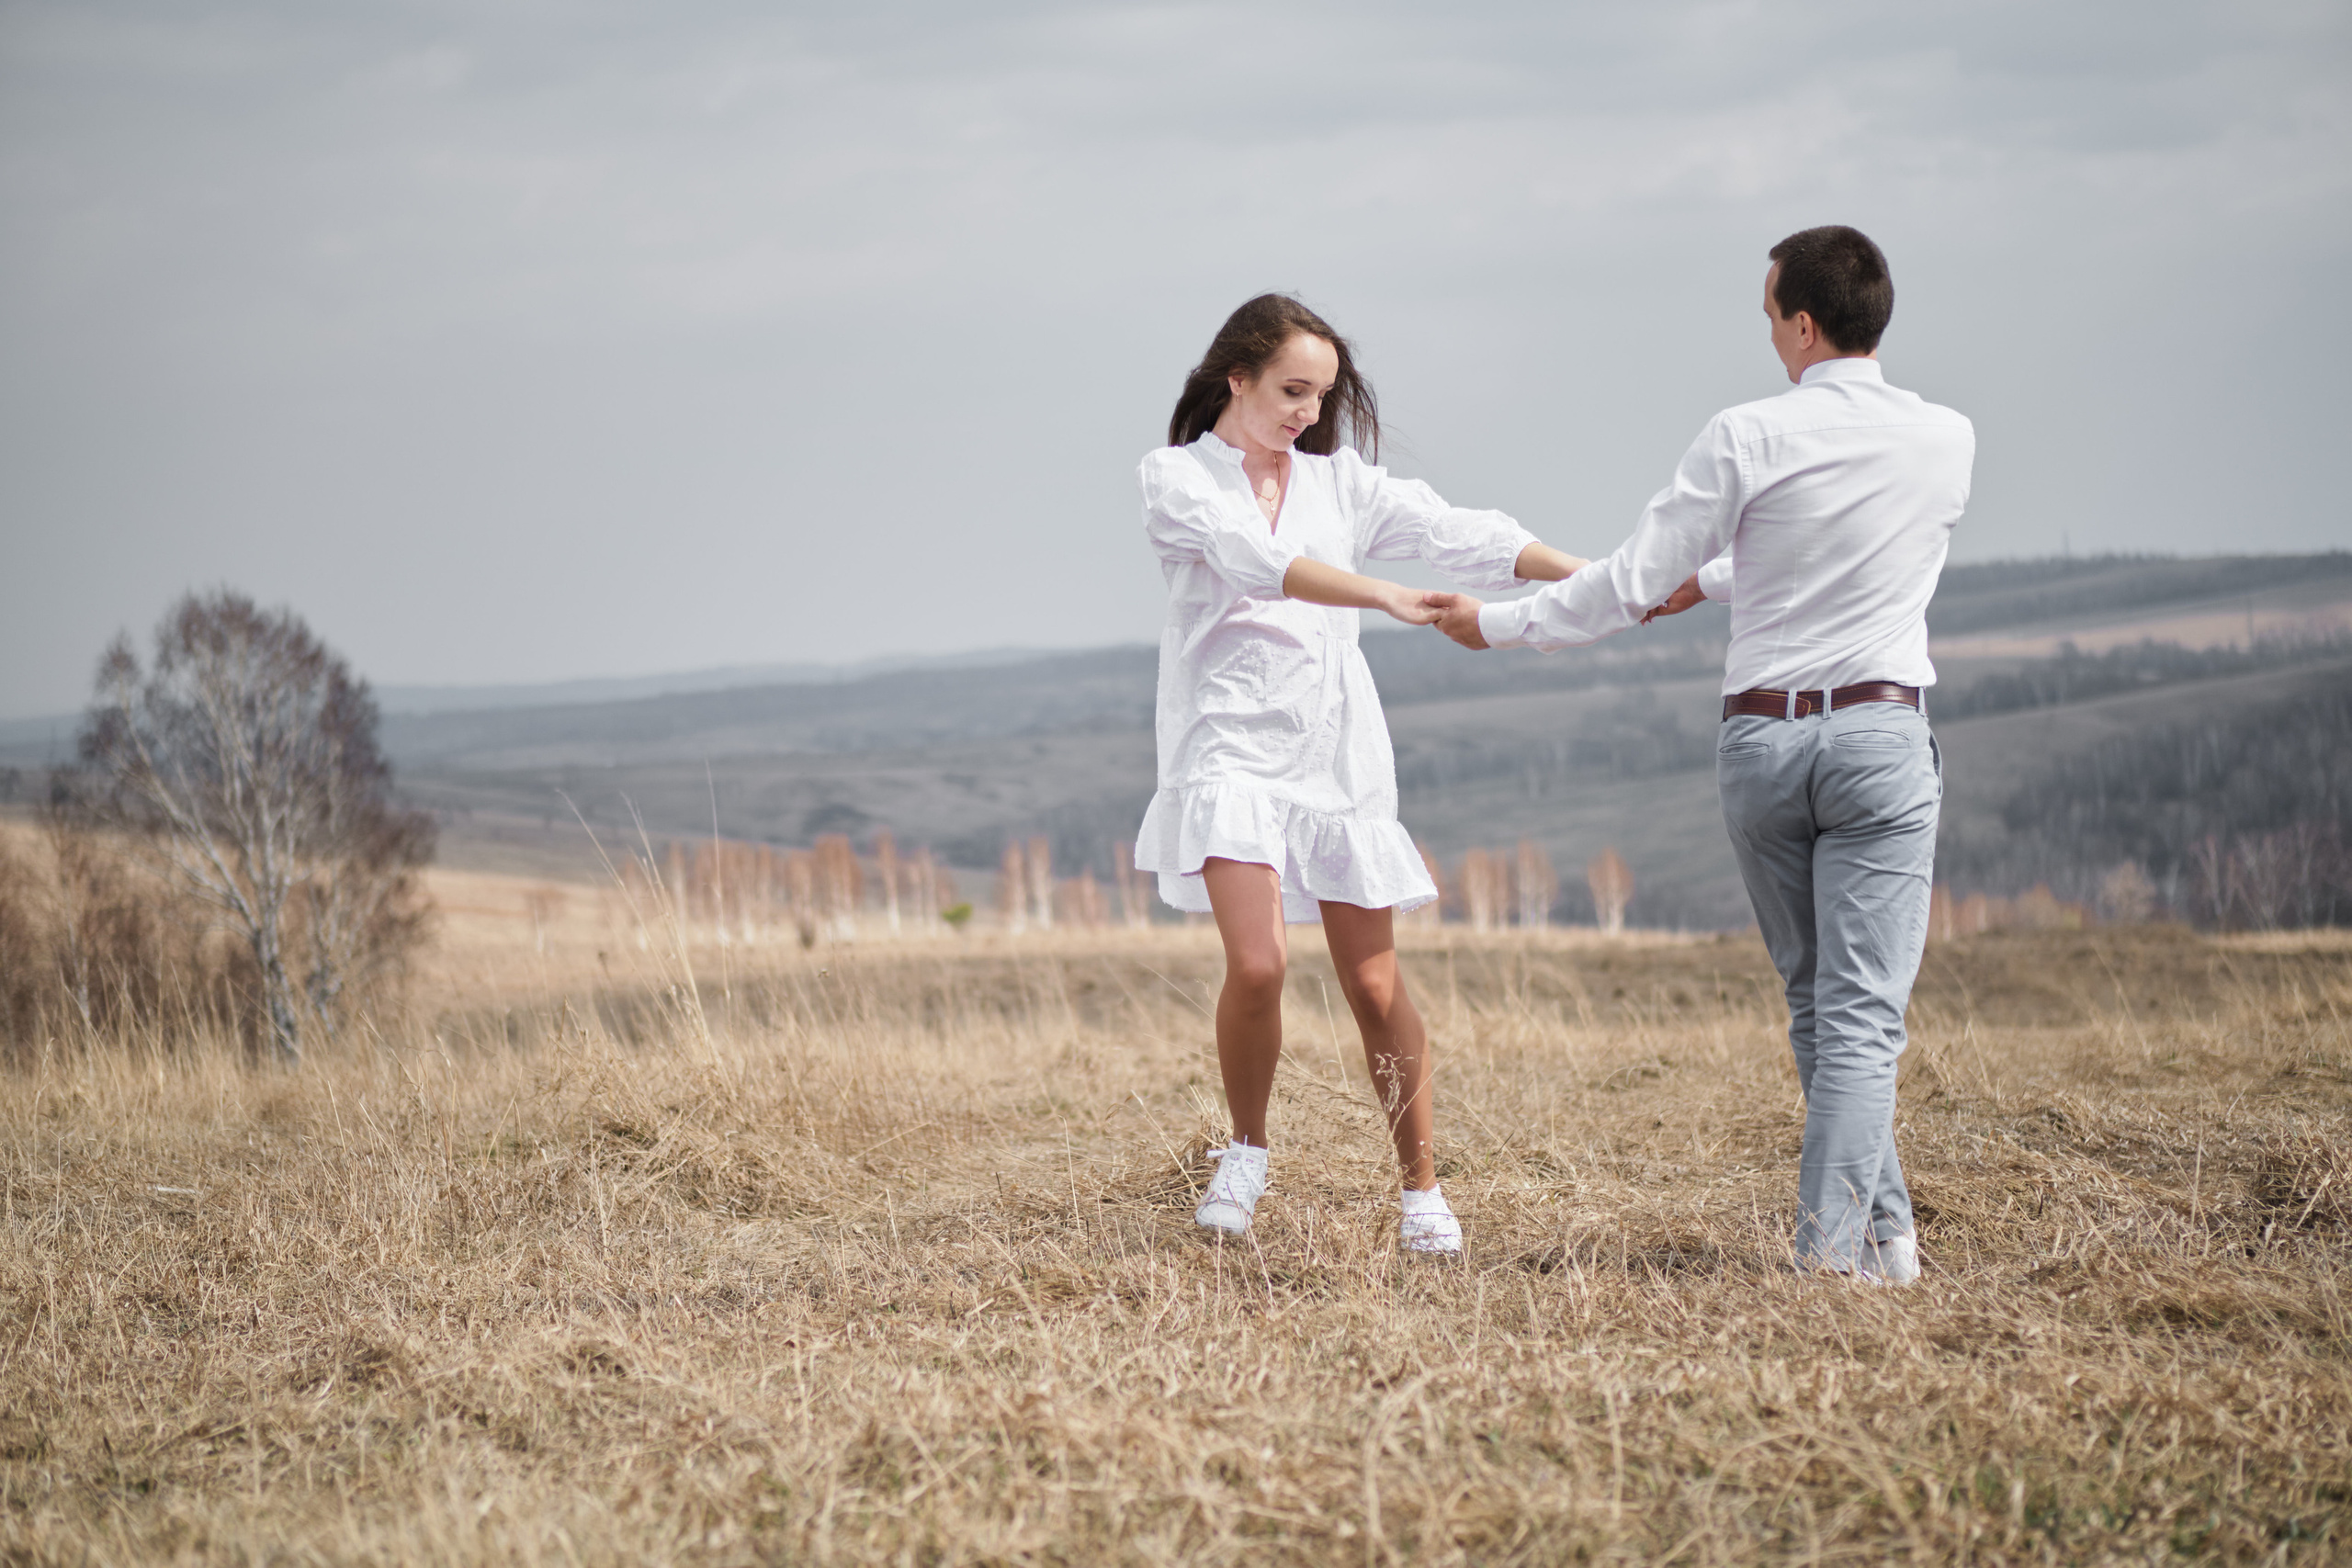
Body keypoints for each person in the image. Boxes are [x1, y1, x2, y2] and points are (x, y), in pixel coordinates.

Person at [1430, 228, 1974, 1285]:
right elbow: (1838, 537)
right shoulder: (1947, 438)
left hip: (1763, 743)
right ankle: (1851, 1252)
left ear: (1803, 323)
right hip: (1877, 735)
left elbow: (1629, 581)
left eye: (1771, 315)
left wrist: (1495, 625)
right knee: (1858, 1015)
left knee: (1821, 1004)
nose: (1769, 334)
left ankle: (1874, 1247)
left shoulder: (1745, 435)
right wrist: (1719, 577)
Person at [1136, 293, 1586, 1253]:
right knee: (1256, 964)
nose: (1307, 410)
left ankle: (1420, 1190)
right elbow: (1251, 561)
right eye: (1291, 390)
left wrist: (1591, 577)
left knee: (1374, 987)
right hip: (1228, 750)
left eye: (1321, 394)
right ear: (1237, 377)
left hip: (1335, 757)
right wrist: (1377, 592)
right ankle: (1246, 1154)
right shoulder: (1176, 478)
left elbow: (1465, 534)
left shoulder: (1339, 485)